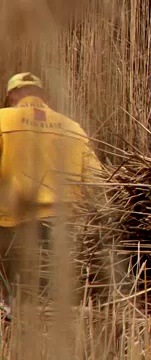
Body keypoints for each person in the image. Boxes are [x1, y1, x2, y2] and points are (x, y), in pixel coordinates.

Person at [0, 72, 102, 319]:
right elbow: (97, 179)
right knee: (48, 297)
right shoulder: (72, 128)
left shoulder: (2, 121)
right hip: (63, 223)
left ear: (11, 96)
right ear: (43, 96)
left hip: (11, 223)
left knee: (10, 294)